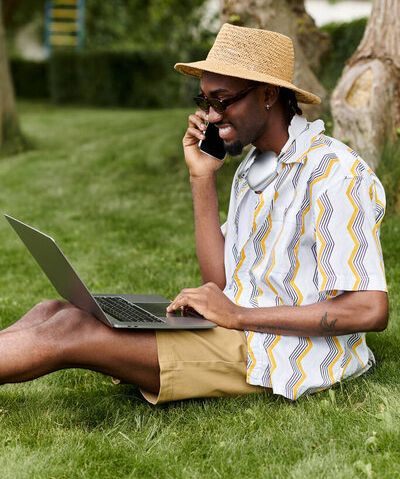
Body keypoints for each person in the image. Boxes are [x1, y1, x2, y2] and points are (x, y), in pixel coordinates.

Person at [0, 24, 388, 403]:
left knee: (71, 328)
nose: (213, 116)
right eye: (205, 102)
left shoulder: (336, 174)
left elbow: (369, 309)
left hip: (283, 354)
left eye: (223, 100)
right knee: (52, 310)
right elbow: (217, 282)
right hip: (235, 330)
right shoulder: (254, 168)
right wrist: (201, 177)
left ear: (269, 94)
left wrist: (237, 317)